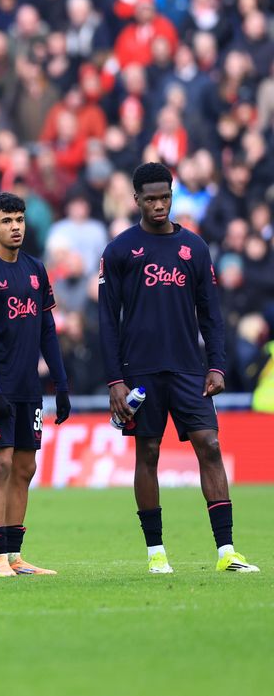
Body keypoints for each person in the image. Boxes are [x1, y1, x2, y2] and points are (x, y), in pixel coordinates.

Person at [98, 162, 259, 574]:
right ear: (136, 199)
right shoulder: (119, 250)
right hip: (140, 371)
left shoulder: (195, 248)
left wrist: (217, 366)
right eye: (150, 198)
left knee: (211, 445)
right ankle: (156, 553)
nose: (158, 205)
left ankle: (227, 551)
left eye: (165, 197)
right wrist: (116, 379)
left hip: (189, 369)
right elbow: (106, 320)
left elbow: (212, 315)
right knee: (147, 453)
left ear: (173, 196)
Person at [0, 192, 71, 576]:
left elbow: (47, 328)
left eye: (19, 219)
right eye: (7, 220)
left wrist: (61, 383)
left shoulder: (35, 268)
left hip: (29, 387)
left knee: (25, 467)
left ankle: (15, 555)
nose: (15, 227)